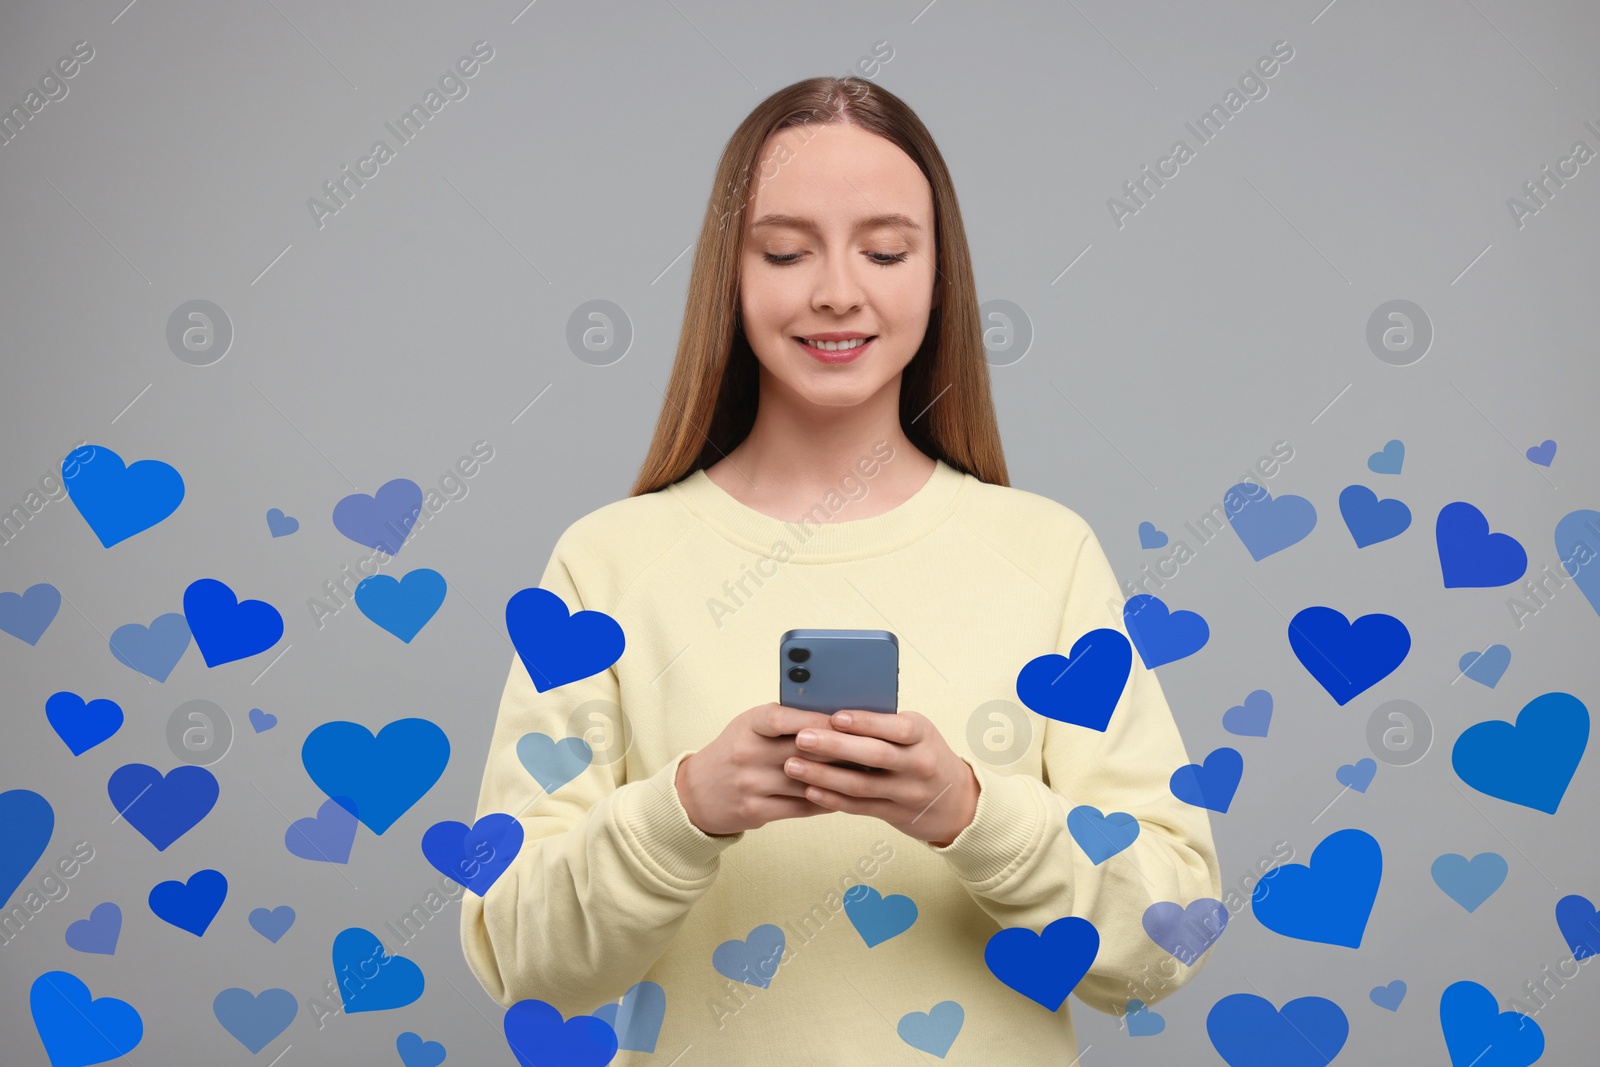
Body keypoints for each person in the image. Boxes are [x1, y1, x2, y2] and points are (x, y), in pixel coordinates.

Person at [461, 75, 1221, 1065]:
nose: (835, 288)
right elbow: (520, 956)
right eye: (784, 250)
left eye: (885, 249)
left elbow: (1171, 940)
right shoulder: (606, 564)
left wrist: (965, 811)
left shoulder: (1047, 556)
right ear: (727, 277)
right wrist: (685, 806)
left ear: (938, 275)